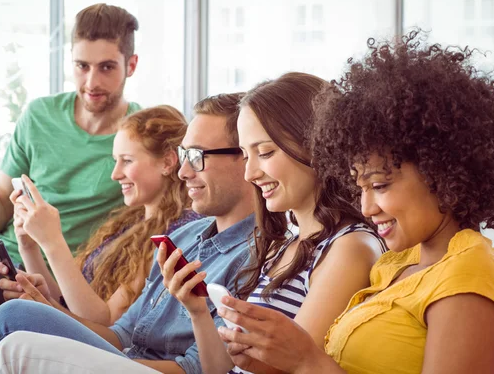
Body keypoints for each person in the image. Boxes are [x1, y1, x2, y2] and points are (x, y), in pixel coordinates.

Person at [215, 30, 494, 374]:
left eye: (380, 184)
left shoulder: (469, 274)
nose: (366, 207)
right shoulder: (396, 267)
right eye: (360, 186)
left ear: (441, 171)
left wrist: (306, 361)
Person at [0, 93, 256, 374]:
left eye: (196, 156)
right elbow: (120, 335)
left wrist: (51, 245)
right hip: (122, 354)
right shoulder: (182, 237)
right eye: (184, 155)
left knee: (7, 312)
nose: (184, 171)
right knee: (8, 310)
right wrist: (44, 303)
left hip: (132, 364)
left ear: (246, 158)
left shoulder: (252, 255)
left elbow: (196, 368)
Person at [0, 106, 200, 373]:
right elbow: (64, 300)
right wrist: (28, 244)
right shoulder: (129, 222)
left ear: (167, 162)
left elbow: (102, 324)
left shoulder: (174, 236)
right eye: (115, 161)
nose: (115, 174)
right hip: (66, 324)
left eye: (126, 161)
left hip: (84, 346)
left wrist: (52, 241)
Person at [159, 72, 385, 374]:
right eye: (245, 155)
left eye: (264, 153)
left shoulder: (349, 248)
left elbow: (294, 366)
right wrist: (198, 311)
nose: (250, 173)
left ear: (318, 145)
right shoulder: (284, 245)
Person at [0, 3, 140, 266]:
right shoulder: (39, 115)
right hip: (2, 258)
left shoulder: (143, 135)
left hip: (57, 278)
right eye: (82, 66)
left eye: (106, 68)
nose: (92, 82)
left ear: (131, 65)